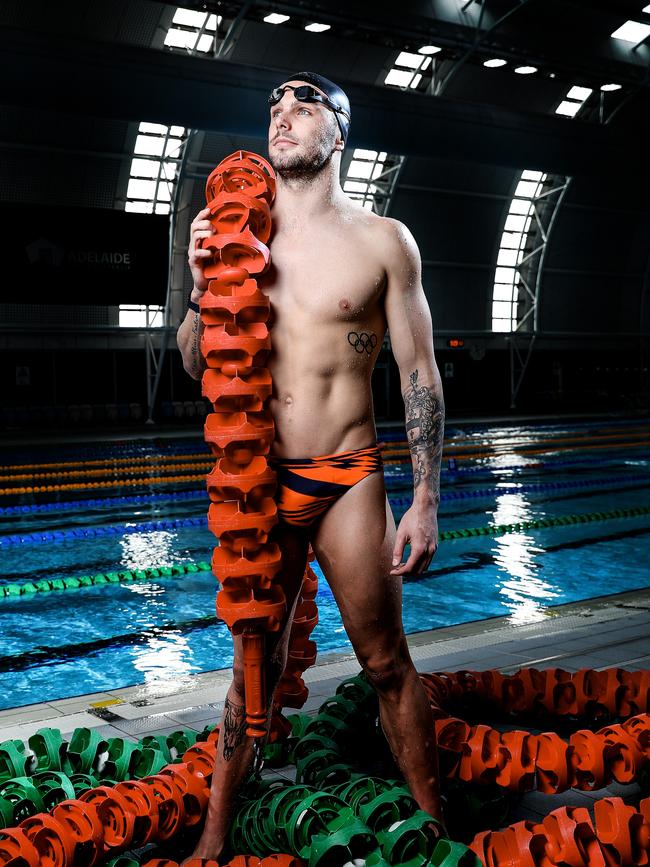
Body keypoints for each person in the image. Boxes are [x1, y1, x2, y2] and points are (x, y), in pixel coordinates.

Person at [176, 70, 446, 862]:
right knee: (247, 672)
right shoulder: (229, 235)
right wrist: (198, 290)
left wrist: (425, 496)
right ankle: (214, 842)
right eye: (273, 106)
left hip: (347, 476)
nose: (282, 115)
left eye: (304, 103)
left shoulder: (383, 242)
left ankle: (436, 826)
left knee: (387, 660)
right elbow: (196, 365)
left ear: (340, 130)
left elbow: (420, 372)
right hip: (262, 486)